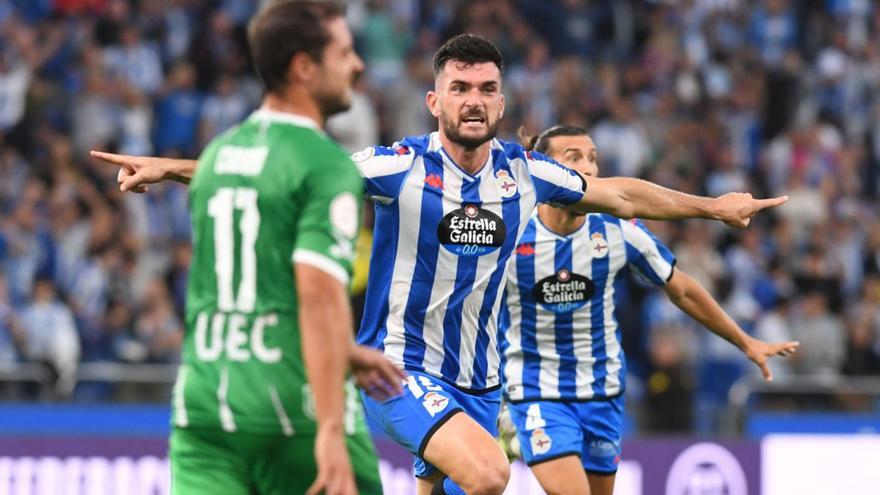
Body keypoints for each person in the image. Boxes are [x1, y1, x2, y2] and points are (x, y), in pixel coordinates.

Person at [91, 34, 786, 495]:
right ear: (436, 101)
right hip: (400, 368)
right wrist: (173, 168)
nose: (474, 100)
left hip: (480, 383)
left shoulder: (527, 170)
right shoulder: (397, 167)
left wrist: (713, 206)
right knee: (490, 473)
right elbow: (283, 169)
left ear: (502, 101)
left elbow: (622, 193)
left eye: (486, 88)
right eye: (461, 88)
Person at [100, 2, 404, 494]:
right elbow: (318, 297)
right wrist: (330, 428)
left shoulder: (221, 152)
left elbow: (256, 289)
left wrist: (343, 350)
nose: (358, 65)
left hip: (203, 405)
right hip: (290, 404)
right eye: (345, 53)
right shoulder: (326, 166)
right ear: (304, 67)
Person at [498, 125, 799, 495]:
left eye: (592, 158)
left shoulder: (617, 230)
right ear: (546, 170)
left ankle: (512, 437)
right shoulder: (512, 233)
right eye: (573, 158)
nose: (589, 169)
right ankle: (511, 428)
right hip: (535, 389)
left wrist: (745, 341)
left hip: (602, 389)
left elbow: (683, 290)